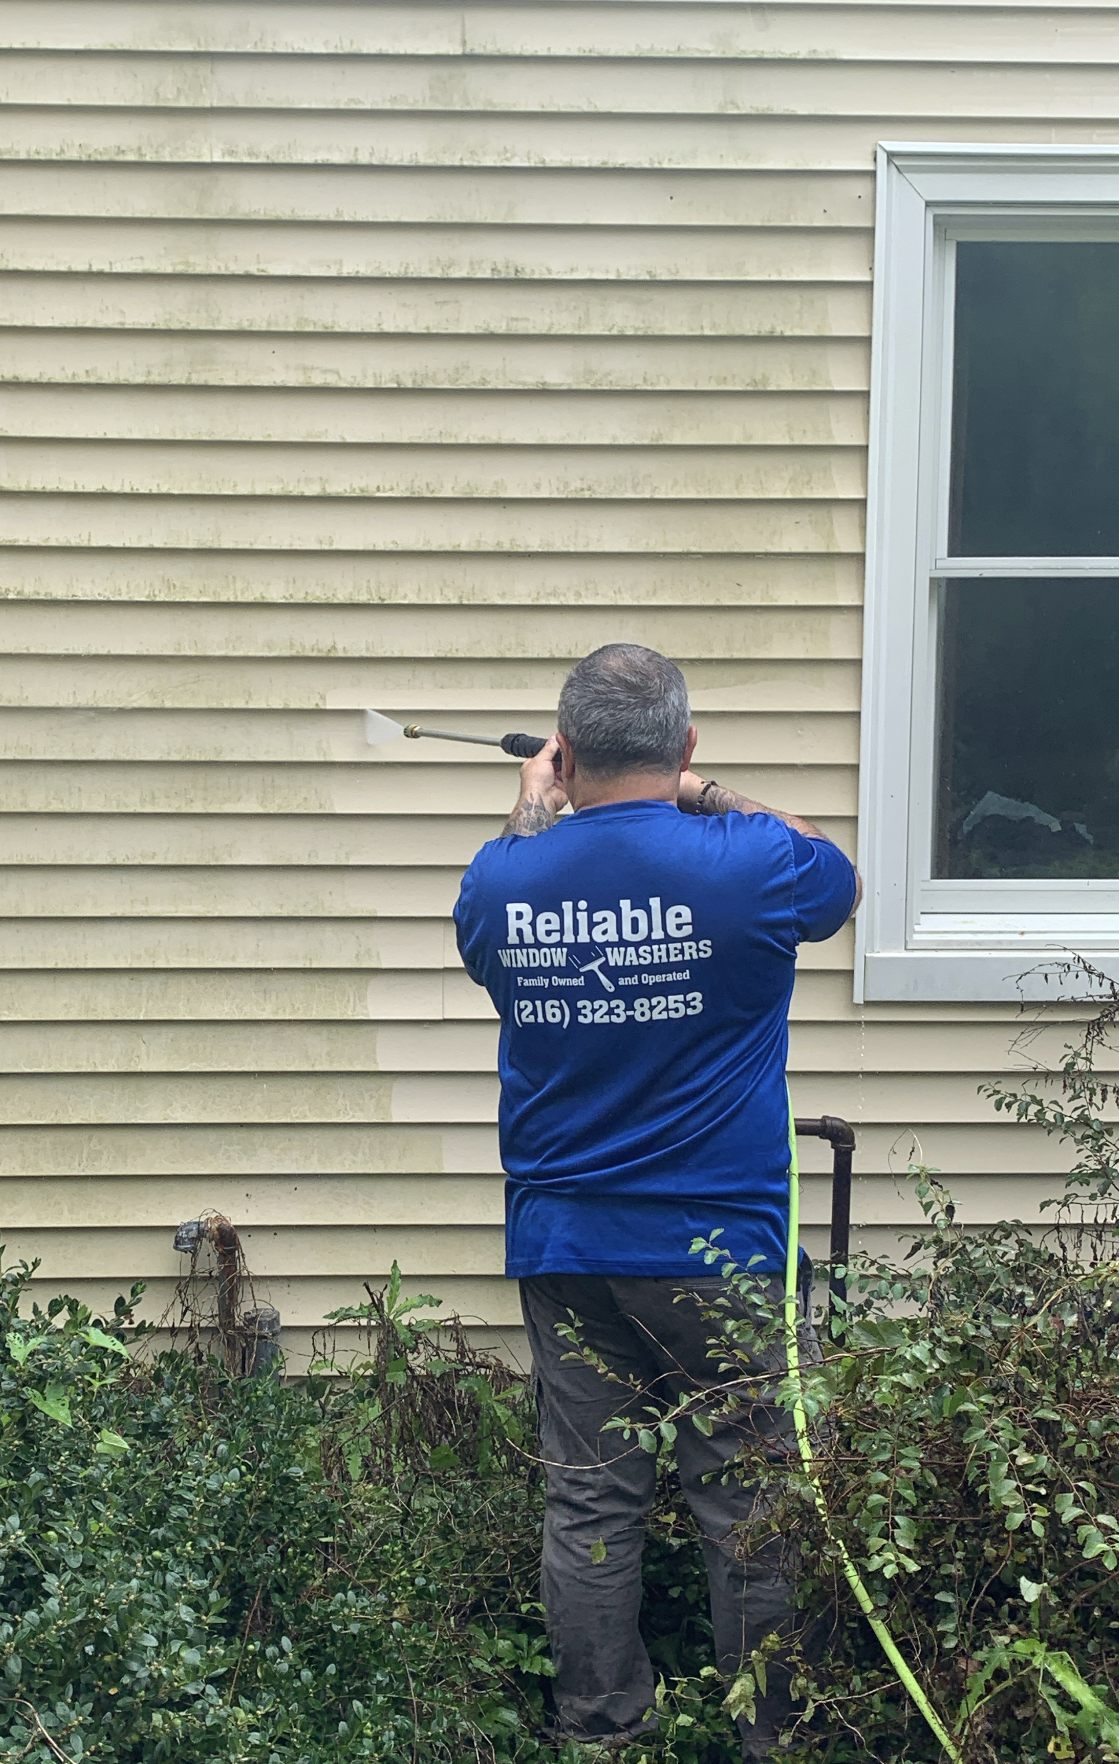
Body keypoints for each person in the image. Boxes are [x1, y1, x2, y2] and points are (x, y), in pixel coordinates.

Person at [453, 643, 859, 1760]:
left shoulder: (502, 877)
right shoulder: (747, 860)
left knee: (589, 1505)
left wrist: (534, 805)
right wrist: (707, 794)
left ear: (566, 752)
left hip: (569, 1248)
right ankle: (775, 1739)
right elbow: (838, 878)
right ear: (683, 746)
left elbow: (487, 922)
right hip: (718, 1252)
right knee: (752, 1511)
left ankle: (602, 1736)